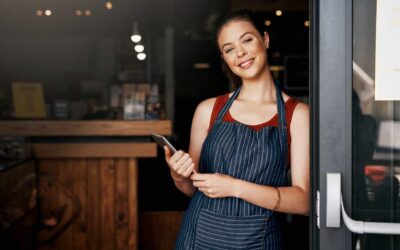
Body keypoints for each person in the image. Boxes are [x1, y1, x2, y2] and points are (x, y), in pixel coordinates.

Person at [164, 9, 310, 250]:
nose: (240, 52)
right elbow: (192, 189)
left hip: (260, 241)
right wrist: (178, 176)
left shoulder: (298, 115)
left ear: (265, 39)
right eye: (229, 49)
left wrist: (234, 187)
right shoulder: (207, 110)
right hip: (198, 237)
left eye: (247, 40)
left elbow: (304, 201)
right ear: (224, 59)